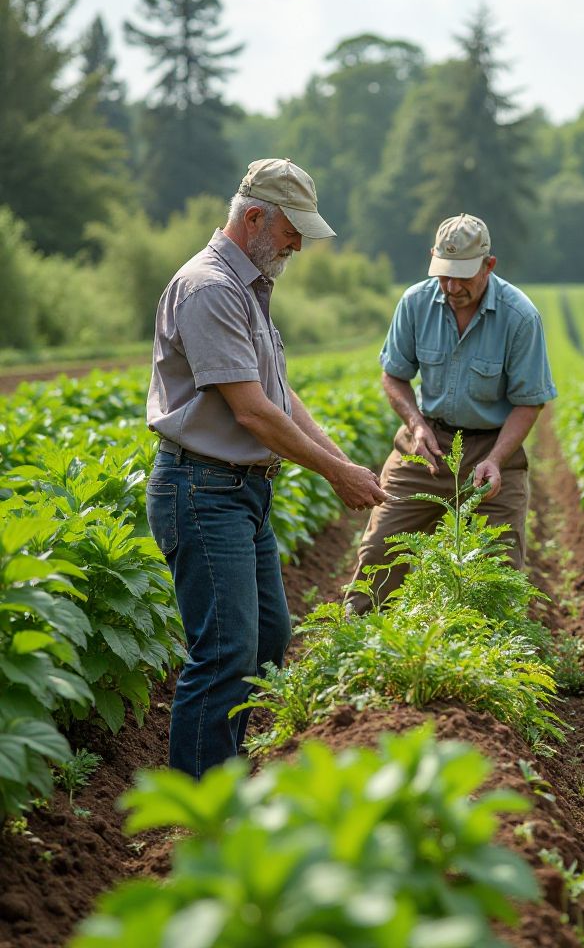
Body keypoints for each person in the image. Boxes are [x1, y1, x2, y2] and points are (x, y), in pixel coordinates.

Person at [146, 157, 388, 778]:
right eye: (291, 231)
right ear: (253, 217)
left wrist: (341, 460)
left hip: (243, 493)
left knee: (269, 639)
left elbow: (279, 394)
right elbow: (253, 412)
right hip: (202, 489)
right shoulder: (210, 288)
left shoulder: (248, 287)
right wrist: (335, 474)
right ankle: (202, 803)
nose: (298, 245)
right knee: (224, 651)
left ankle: (227, 768)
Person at [345, 212, 557, 612]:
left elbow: (530, 401)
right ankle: (359, 638)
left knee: (499, 570)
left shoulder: (519, 316)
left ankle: (494, 646)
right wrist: (415, 425)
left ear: (488, 265)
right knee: (379, 551)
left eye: (463, 276)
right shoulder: (415, 303)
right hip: (427, 444)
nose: (452, 287)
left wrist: (497, 460)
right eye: (444, 275)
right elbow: (394, 376)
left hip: (492, 450)